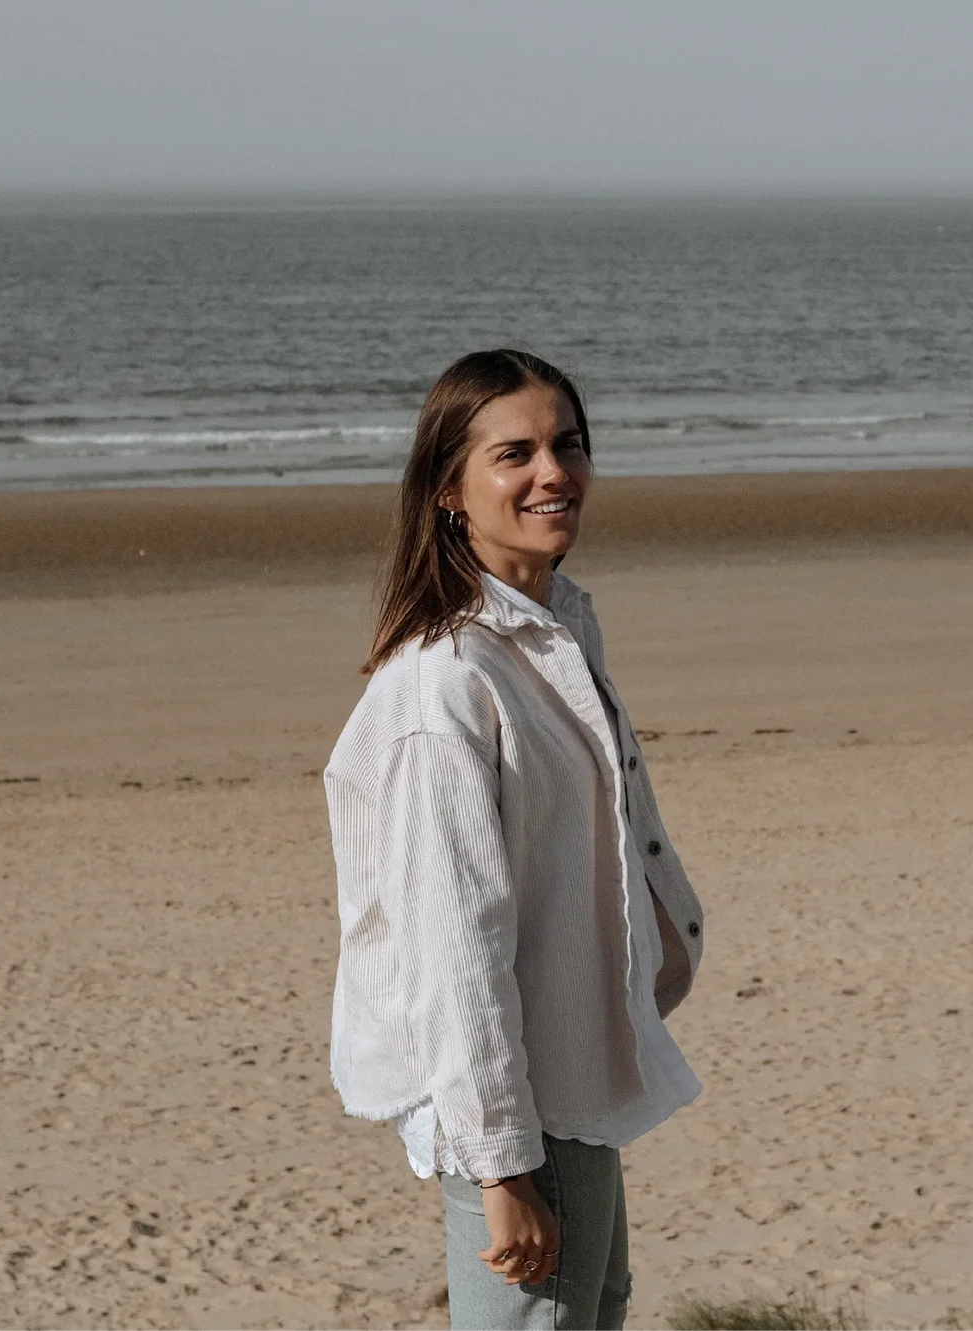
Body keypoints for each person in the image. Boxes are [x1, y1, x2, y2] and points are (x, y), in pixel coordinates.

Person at [322, 349, 705, 1330]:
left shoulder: (556, 628)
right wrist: (501, 1163)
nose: (552, 471)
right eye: (514, 453)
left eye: (567, 443)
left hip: (569, 1070)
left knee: (597, 1304)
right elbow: (451, 941)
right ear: (449, 489)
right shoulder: (445, 684)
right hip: (517, 1101)